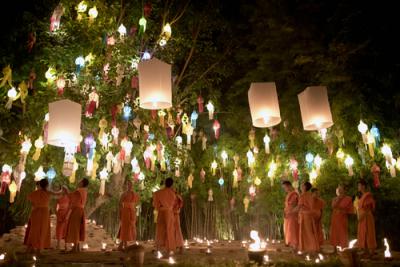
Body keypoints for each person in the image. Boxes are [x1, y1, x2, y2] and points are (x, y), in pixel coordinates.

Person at [24, 179, 64, 254]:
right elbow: (58, 194)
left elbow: (30, 201)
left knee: (34, 230)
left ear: (40, 185)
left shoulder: (35, 193)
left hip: (35, 212)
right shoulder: (48, 193)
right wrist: (62, 188)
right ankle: (39, 249)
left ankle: (31, 247)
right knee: (43, 230)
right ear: (47, 185)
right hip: (44, 212)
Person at [153, 177, 177, 255]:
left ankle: (159, 248)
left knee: (160, 230)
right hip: (169, 213)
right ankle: (170, 248)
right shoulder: (173, 194)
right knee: (169, 230)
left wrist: (160, 207)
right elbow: (174, 205)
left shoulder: (158, 193)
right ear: (172, 184)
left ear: (165, 183)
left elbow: (155, 205)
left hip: (161, 212)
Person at [65, 178, 89, 252]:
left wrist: (66, 189)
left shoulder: (80, 191)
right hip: (80, 210)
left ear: (82, 183)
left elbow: (71, 197)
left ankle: (75, 247)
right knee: (77, 228)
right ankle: (77, 247)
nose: (78, 181)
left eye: (80, 181)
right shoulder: (84, 191)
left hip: (77, 210)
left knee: (75, 228)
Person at [118, 180, 140, 251]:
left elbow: (136, 204)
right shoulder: (124, 194)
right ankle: (124, 244)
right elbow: (120, 204)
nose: (130, 186)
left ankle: (122, 244)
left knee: (131, 227)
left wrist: (135, 211)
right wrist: (120, 213)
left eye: (131, 184)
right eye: (128, 184)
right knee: (124, 227)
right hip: (125, 212)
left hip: (132, 212)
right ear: (126, 186)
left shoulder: (135, 194)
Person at [298, 181, 319, 253]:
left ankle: (312, 248)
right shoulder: (309, 195)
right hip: (307, 215)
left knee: (307, 232)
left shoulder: (303, 195)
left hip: (305, 215)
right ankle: (308, 248)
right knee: (308, 231)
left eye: (302, 185)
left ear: (305, 187)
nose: (300, 186)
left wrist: (290, 211)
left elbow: (299, 206)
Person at [356, 180, 376, 256]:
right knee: (363, 232)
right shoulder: (361, 196)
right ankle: (365, 250)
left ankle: (371, 251)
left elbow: (368, 207)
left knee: (369, 233)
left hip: (366, 216)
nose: (358, 187)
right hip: (362, 217)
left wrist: (362, 215)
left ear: (363, 186)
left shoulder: (368, 195)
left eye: (359, 185)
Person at [282, 180, 299, 250]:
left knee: (293, 229)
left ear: (289, 186)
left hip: (293, 214)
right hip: (287, 214)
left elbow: (297, 205)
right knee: (288, 229)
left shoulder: (295, 194)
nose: (285, 189)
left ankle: (295, 245)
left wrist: (291, 212)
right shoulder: (288, 194)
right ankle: (290, 244)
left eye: (285, 187)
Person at [55, 185, 70, 250]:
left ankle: (65, 245)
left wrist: (67, 215)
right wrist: (57, 213)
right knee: (59, 229)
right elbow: (57, 206)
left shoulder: (69, 197)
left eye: (63, 189)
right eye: (62, 189)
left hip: (65, 213)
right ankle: (58, 245)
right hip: (60, 213)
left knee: (65, 229)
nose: (62, 190)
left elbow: (70, 207)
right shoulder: (59, 197)